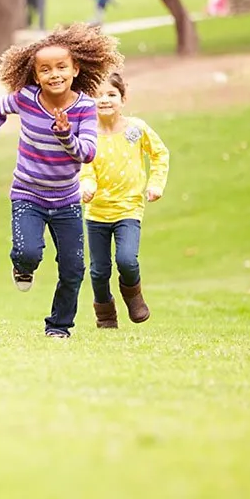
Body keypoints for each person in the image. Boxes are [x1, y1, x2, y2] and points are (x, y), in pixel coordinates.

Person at [0, 23, 123, 338]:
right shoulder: (25, 99)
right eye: (45, 69)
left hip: (67, 201)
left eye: (62, 67)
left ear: (76, 69)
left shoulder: (85, 109)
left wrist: (65, 136)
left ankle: (59, 326)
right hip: (27, 194)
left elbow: (87, 153)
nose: (55, 74)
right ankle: (22, 266)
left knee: (74, 269)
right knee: (28, 253)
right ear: (35, 76)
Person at [80, 73, 169, 328]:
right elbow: (83, 166)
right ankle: (105, 314)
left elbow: (160, 154)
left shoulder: (136, 129)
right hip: (96, 213)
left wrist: (155, 184)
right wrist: (86, 185)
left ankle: (133, 295)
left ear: (123, 98)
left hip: (128, 209)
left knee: (127, 260)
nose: (104, 100)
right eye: (97, 95)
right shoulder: (87, 135)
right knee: (98, 271)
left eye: (111, 94)